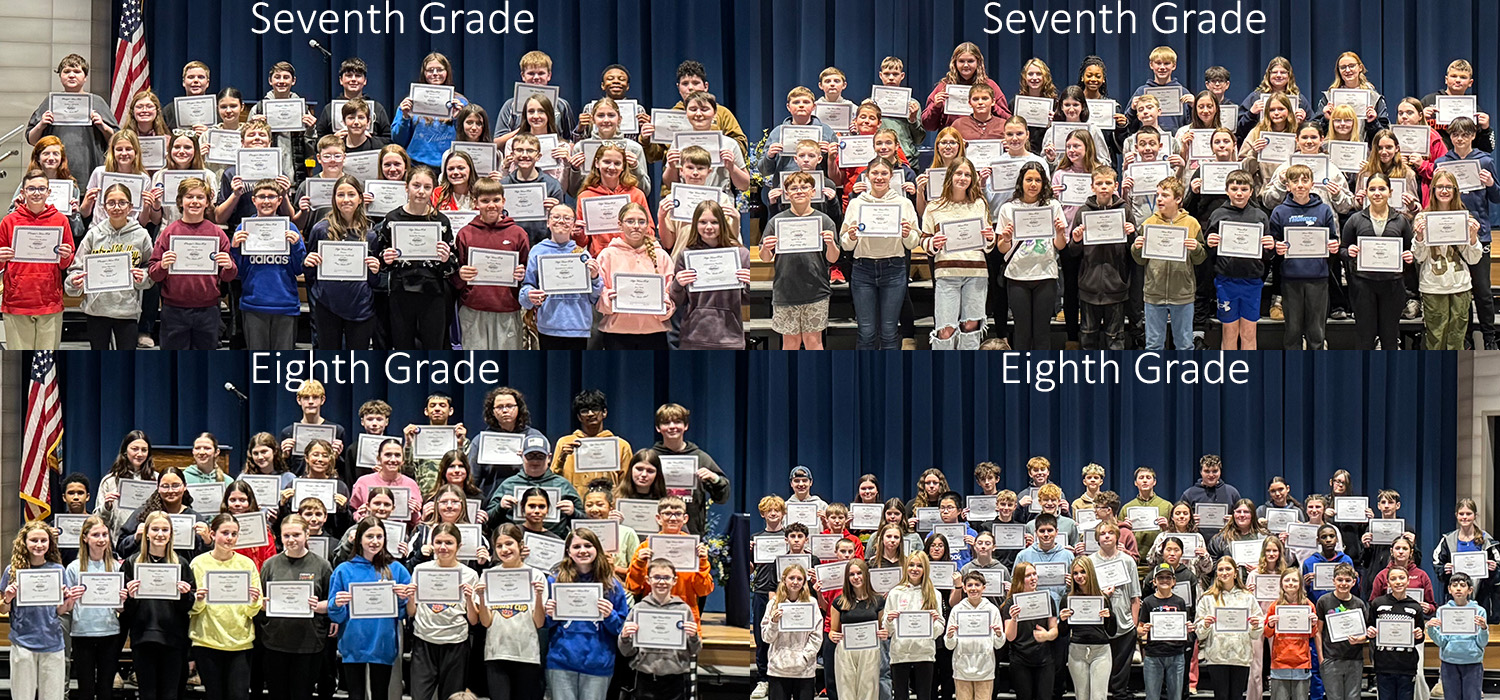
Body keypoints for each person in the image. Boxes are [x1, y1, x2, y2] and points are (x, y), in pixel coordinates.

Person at [1430, 117, 1499, 349]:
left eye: (1465, 134)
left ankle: (1490, 338)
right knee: (1461, 288)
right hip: (1448, 233)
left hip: (1478, 233)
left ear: (1472, 136)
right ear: (1450, 136)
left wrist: (1491, 184)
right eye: (1455, 135)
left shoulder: (1485, 161)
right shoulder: (1442, 163)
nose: (1460, 139)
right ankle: (1466, 338)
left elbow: (1497, 198)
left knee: (1482, 289)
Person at [372, 165, 457, 350]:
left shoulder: (441, 221)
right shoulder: (392, 218)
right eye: (416, 185)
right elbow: (379, 260)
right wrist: (385, 259)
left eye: (427, 187)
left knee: (434, 347)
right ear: (406, 187)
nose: (421, 191)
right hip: (400, 291)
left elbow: (453, 265)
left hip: (433, 292)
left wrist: (445, 259)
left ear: (433, 189)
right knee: (403, 346)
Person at [148, 176, 236, 349]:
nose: (194, 201)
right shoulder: (169, 232)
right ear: (180, 202)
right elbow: (153, 273)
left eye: (200, 197)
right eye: (189, 197)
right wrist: (163, 265)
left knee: (204, 364)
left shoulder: (217, 234)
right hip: (174, 310)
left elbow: (229, 275)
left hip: (208, 310)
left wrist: (229, 265)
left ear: (207, 202)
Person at [543, 528, 629, 700]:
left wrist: (609, 615)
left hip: (598, 662)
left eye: (588, 545)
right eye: (576, 547)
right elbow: (544, 624)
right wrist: (550, 614)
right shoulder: (555, 580)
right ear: (568, 551)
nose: (582, 551)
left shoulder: (611, 584)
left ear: (597, 548)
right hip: (561, 660)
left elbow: (622, 627)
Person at [189, 513, 264, 700]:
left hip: (240, 642)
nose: (230, 538)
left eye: (234, 534)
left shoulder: (246, 564)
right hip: (207, 641)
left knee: (238, 696)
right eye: (225, 533)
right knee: (215, 695)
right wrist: (198, 599)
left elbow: (253, 608)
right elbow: (191, 608)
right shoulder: (198, 563)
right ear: (213, 534)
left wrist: (253, 601)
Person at [122, 510, 196, 700]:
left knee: (170, 694)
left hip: (174, 639)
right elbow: (126, 611)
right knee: (147, 695)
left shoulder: (181, 563)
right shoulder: (132, 563)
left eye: (165, 529)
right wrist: (129, 597)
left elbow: (187, 607)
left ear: (171, 533)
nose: (160, 534)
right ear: (146, 532)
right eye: (155, 529)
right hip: (143, 638)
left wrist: (185, 595)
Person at [258, 514, 333, 700]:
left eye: (297, 535)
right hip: (275, 642)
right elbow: (260, 602)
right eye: (286, 535)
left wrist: (318, 606)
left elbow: (330, 603)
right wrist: (263, 604)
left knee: (303, 694)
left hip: (309, 643)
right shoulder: (270, 565)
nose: (291, 540)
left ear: (307, 535)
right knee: (277, 694)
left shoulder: (322, 566)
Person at [1, 169, 77, 349]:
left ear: (49, 192)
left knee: (48, 362)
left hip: (49, 301)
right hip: (16, 301)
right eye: (31, 189)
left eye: (42, 189)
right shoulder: (9, 221)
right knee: (21, 362)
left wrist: (66, 257)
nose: (36, 193)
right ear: (23, 192)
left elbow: (67, 261)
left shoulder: (60, 220)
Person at [303, 174, 381, 349]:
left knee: (357, 364)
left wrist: (375, 270)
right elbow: (310, 276)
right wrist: (307, 263)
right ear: (334, 199)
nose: (346, 199)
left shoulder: (370, 234)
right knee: (329, 363)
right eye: (340, 195)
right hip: (327, 306)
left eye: (351, 194)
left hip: (360, 307)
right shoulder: (321, 230)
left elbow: (374, 281)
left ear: (360, 198)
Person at [997, 162, 1069, 350]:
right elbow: (1002, 249)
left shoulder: (1053, 206)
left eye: (1038, 180)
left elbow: (1059, 245)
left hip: (1045, 275)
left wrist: (1061, 233)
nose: (1033, 184)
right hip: (1017, 276)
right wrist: (1005, 238)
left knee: (1042, 331)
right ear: (1021, 181)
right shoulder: (1008, 208)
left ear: (1044, 183)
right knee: (1022, 331)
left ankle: (1042, 373)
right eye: (1029, 179)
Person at [452, 178, 530, 349]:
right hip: (473, 309)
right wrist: (461, 275)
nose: (491, 205)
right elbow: (455, 276)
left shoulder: (518, 234)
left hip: (508, 308)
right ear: (475, 203)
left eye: (496, 200)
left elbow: (528, 274)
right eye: (485, 201)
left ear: (503, 201)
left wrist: (522, 274)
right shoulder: (465, 234)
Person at [229, 178, 307, 350]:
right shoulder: (243, 228)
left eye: (271, 197)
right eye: (261, 196)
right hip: (254, 303)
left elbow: (298, 269)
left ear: (280, 200)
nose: (266, 201)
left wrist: (295, 247)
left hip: (285, 304)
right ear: (253, 200)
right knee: (258, 364)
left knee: (284, 364)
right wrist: (234, 249)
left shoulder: (291, 229)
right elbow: (237, 273)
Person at [407, 522, 481, 700]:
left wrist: (470, 598)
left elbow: (473, 620)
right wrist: (409, 597)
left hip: (455, 643)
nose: (443, 547)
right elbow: (412, 613)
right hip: (424, 641)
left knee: (452, 697)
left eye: (449, 542)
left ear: (459, 546)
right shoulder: (421, 570)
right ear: (432, 544)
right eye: (438, 542)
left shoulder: (470, 574)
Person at [1412, 171, 1484, 349]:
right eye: (1440, 187)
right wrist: (1420, 237)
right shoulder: (1422, 217)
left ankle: (1456, 375)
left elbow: (1473, 259)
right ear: (1433, 189)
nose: (1444, 191)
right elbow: (1419, 257)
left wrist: (1473, 237)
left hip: (1460, 284)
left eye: (1448, 187)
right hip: (1433, 285)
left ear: (1455, 190)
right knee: (1435, 338)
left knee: (1457, 338)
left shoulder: (1464, 217)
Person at [1132, 177, 1206, 349]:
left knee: (1184, 344)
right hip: (1154, 292)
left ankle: (1185, 375)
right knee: (1153, 344)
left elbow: (1200, 259)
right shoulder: (1149, 223)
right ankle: (1155, 376)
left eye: (1165, 195)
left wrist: (1196, 248)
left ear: (1178, 199)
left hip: (1182, 293)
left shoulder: (1191, 223)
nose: (1159, 199)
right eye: (1158, 195)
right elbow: (1140, 260)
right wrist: (1136, 248)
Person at [477, 523, 547, 700]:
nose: (504, 549)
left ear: (520, 545)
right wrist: (482, 597)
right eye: (499, 546)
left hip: (527, 654)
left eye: (509, 544)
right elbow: (486, 622)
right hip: (496, 653)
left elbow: (539, 622)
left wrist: (538, 595)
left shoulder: (536, 576)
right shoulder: (489, 575)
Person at [669, 199, 752, 349]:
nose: (708, 227)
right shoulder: (686, 255)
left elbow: (746, 300)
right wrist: (677, 285)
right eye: (702, 222)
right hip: (693, 336)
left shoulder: (741, 255)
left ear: (722, 224)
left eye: (714, 222)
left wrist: (748, 286)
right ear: (695, 224)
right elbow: (678, 301)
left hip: (730, 337)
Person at [26, 54, 117, 189]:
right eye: (67, 71)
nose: (71, 75)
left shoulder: (97, 102)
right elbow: (32, 140)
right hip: (55, 174)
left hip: (89, 172)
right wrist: (41, 125)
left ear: (85, 77)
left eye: (77, 71)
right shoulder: (50, 102)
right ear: (61, 76)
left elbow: (116, 140)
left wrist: (103, 126)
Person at [619, 558, 702, 700]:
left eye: (666, 578)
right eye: (656, 577)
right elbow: (626, 651)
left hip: (675, 678)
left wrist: (694, 636)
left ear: (674, 580)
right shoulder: (639, 609)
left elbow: (694, 650)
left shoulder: (683, 610)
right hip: (644, 677)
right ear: (648, 580)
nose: (661, 582)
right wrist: (625, 637)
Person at [596, 202, 675, 349]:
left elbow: (671, 293)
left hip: (654, 333)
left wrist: (664, 304)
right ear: (620, 225)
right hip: (616, 333)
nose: (636, 226)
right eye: (630, 221)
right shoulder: (607, 255)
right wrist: (608, 299)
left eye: (641, 221)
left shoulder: (661, 256)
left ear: (647, 225)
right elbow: (598, 293)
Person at [648, 403, 731, 536]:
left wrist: (714, 478)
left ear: (686, 426)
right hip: (655, 532)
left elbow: (722, 498)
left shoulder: (700, 457)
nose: (672, 427)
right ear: (658, 428)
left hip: (692, 532)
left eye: (677, 422)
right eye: (666, 423)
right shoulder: (651, 457)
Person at [1195, 556, 1262, 700]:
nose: (1224, 572)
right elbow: (1199, 632)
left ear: (1235, 572)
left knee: (1237, 697)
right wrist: (1205, 624)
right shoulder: (1207, 598)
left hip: (1241, 656)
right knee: (1221, 696)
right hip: (1217, 656)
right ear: (1216, 573)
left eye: (1228, 569)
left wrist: (1256, 625)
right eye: (1220, 569)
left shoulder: (1248, 597)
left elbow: (1256, 632)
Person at [551, 389, 634, 492]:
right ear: (579, 417)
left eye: (595, 409)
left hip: (607, 505)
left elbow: (627, 484)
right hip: (574, 505)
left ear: (604, 412)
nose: (590, 414)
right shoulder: (565, 443)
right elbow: (553, 480)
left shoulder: (621, 446)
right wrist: (561, 458)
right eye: (584, 411)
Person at [393, 53, 467, 168]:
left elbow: (469, 138)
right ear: (424, 73)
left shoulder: (460, 103)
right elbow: (397, 140)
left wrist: (458, 118)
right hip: (416, 166)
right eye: (430, 70)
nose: (435, 74)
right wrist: (405, 117)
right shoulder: (411, 103)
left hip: (450, 167)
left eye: (439, 70)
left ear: (447, 72)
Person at [1433, 499, 1500, 623]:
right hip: (1456, 595)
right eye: (1461, 514)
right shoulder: (1448, 540)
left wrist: (1494, 568)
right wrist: (1444, 569)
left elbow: (1498, 569)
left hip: (1482, 595)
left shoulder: (1487, 540)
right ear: (1456, 515)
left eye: (1468, 514)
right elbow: (1437, 563)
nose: (1464, 517)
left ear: (1475, 515)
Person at [1367, 566, 1427, 700]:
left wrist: (1419, 635)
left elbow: (1419, 637)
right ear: (1388, 583)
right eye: (1393, 579)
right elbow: (1370, 627)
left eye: (1402, 578)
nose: (1398, 582)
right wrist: (1370, 632)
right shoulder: (1378, 604)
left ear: (1408, 581)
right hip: (1384, 664)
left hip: (1407, 666)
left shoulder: (1415, 606)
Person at [944, 570, 1006, 700]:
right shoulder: (957, 610)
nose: (973, 588)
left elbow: (999, 644)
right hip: (962, 668)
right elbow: (950, 646)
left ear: (984, 588)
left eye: (977, 585)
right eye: (970, 585)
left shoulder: (992, 610)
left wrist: (999, 634)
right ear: (964, 588)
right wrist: (949, 636)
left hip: (985, 668)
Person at [1001, 562, 1059, 700]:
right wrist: (1014, 618)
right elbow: (1009, 637)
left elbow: (1054, 630)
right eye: (1028, 575)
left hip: (1044, 660)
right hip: (1020, 660)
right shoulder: (1010, 603)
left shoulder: (1046, 599)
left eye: (1034, 574)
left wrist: (1047, 635)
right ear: (1020, 579)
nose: (1033, 578)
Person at [923, 43, 1011, 133]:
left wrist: (991, 105)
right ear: (954, 63)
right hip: (952, 141)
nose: (965, 65)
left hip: (983, 140)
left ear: (978, 62)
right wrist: (936, 107)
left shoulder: (990, 86)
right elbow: (928, 125)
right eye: (961, 61)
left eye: (970, 61)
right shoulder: (943, 87)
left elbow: (1008, 121)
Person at [1425, 573, 1488, 700]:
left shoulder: (1479, 611)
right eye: (1454, 585)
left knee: (1472, 697)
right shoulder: (1443, 611)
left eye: (1462, 585)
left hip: (1472, 662)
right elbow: (1442, 642)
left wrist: (1483, 628)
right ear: (1449, 589)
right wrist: (1431, 629)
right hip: (1449, 662)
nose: (1458, 588)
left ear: (1470, 590)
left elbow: (1482, 643)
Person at [1264, 569, 1320, 700]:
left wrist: (1313, 624)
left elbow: (1312, 634)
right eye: (1287, 580)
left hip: (1301, 662)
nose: (1290, 583)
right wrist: (1271, 625)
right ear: (1281, 583)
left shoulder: (1308, 605)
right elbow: (1267, 633)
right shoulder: (1275, 606)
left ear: (1300, 583)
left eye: (1294, 580)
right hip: (1280, 662)